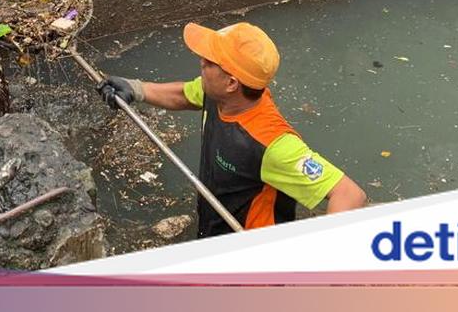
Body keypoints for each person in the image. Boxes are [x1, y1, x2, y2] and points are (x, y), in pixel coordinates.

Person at [98, 22, 366, 237]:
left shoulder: (273, 144)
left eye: (210, 62)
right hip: (216, 223)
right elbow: (185, 95)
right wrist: (136, 88)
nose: (202, 62)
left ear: (231, 83)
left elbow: (349, 194)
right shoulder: (218, 95)